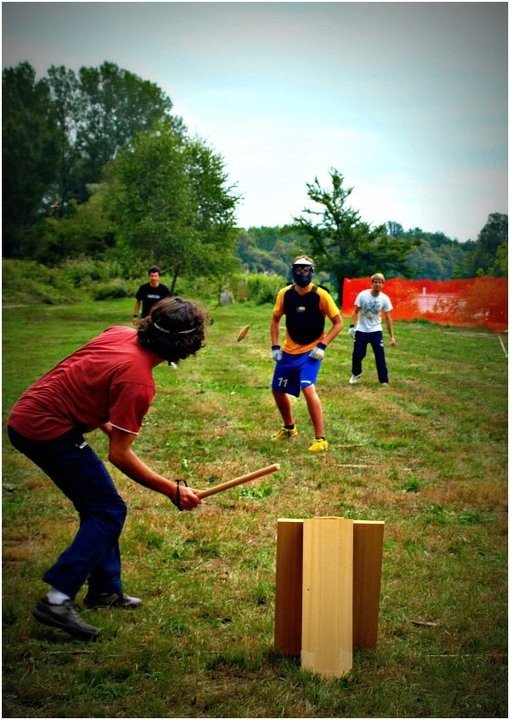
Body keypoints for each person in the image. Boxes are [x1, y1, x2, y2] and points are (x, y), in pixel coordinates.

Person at [7, 297, 206, 641]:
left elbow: (92, 384)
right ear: (186, 345)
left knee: (99, 506)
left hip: (31, 412)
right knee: (107, 509)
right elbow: (120, 455)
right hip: (45, 429)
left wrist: (108, 424)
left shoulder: (118, 333)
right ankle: (58, 599)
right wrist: (171, 490)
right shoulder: (139, 381)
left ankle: (105, 590)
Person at [270, 255, 343, 453]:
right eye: (299, 269)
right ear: (293, 271)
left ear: (312, 272)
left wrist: (322, 346)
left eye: (306, 269)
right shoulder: (285, 294)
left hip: (311, 352)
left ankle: (320, 439)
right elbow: (275, 319)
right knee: (277, 389)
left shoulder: (321, 295)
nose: (302, 273)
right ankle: (289, 428)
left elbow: (338, 323)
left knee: (307, 387)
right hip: (288, 351)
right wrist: (275, 346)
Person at [348, 272, 396, 385]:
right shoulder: (362, 295)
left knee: (380, 356)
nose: (377, 284)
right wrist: (351, 327)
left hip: (376, 330)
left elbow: (388, 318)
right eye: (375, 282)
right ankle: (356, 373)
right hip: (361, 330)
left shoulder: (384, 299)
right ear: (372, 283)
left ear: (383, 284)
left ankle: (384, 380)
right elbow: (355, 311)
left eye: (380, 282)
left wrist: (392, 337)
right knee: (357, 355)